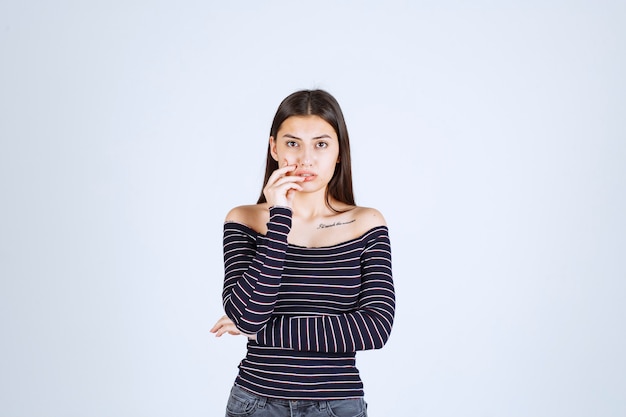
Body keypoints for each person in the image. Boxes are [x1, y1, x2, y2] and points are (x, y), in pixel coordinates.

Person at [210, 89, 395, 417]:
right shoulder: (244, 220)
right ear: (274, 148)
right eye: (292, 143)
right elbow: (247, 313)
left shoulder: (365, 223)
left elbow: (375, 328)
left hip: (336, 405)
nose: (306, 159)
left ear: (339, 152)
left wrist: (262, 332)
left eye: (321, 144)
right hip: (255, 402)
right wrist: (280, 217)